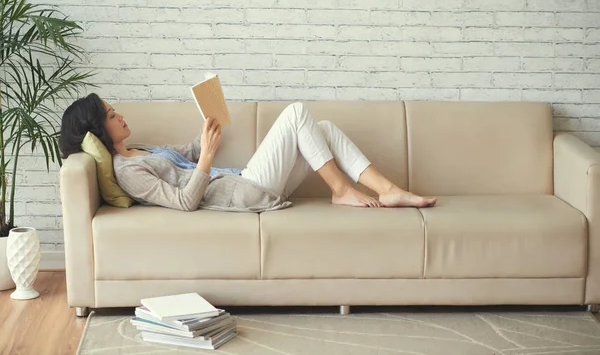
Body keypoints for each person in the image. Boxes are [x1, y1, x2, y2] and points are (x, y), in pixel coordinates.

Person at [59, 93, 437, 212]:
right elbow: (184, 202)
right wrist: (206, 157)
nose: (120, 115)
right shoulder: (127, 172)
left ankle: (386, 189)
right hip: (242, 192)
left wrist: (209, 123)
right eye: (111, 115)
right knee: (296, 113)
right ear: (97, 130)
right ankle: (340, 189)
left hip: (245, 181)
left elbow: (189, 150)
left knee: (322, 129)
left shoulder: (140, 150)